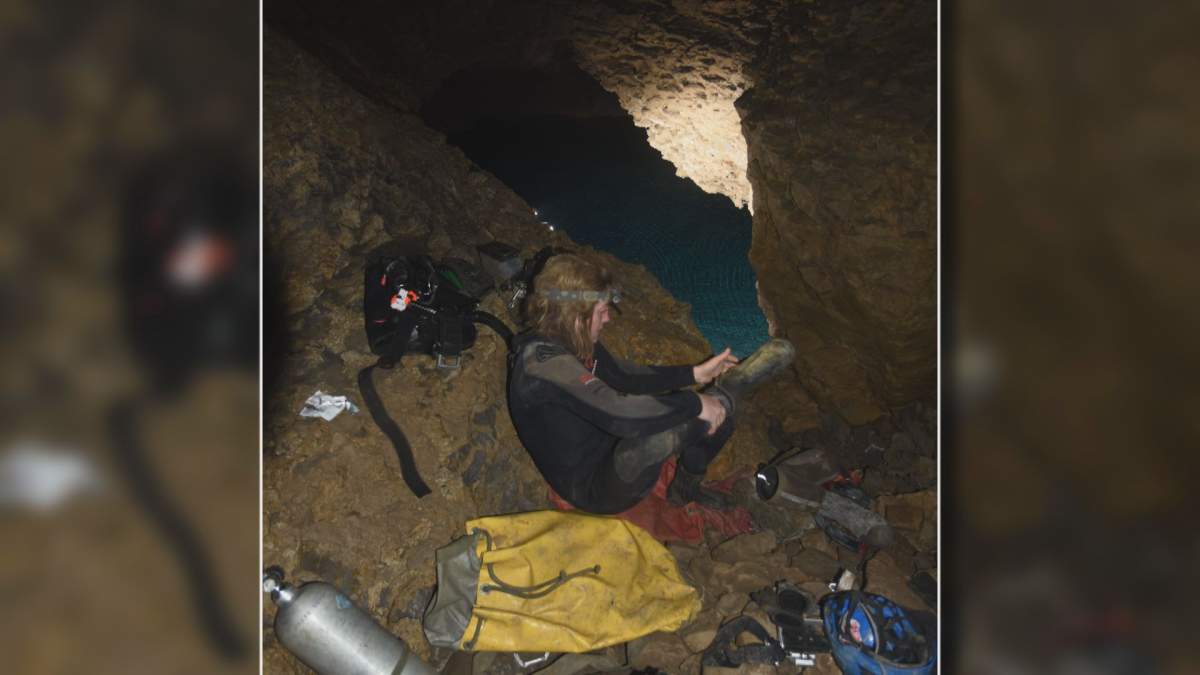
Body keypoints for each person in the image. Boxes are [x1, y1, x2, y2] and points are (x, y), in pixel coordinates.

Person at [507, 253, 795, 515]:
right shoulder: (544, 366)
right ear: (576, 316)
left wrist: (694, 374)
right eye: (602, 311)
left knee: (718, 417)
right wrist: (695, 403)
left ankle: (685, 488)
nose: (608, 319)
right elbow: (621, 415)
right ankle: (730, 390)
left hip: (608, 445)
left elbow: (625, 376)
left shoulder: (571, 337)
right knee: (669, 429)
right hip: (593, 486)